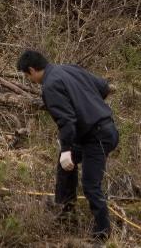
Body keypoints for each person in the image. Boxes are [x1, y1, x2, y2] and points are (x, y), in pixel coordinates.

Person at [16, 50, 119, 241]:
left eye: (26, 75)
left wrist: (65, 149)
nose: (28, 79)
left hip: (98, 138)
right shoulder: (69, 68)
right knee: (65, 167)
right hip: (100, 131)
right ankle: (66, 214)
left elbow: (67, 121)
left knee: (90, 185)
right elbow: (103, 87)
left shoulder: (50, 85)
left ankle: (102, 236)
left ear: (32, 70)